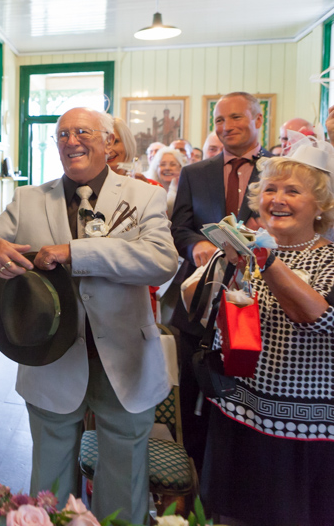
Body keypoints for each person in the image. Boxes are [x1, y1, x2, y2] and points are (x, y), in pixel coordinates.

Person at [0, 107, 178, 522]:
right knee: (49, 485)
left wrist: (75, 253)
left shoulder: (144, 195)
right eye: (62, 135)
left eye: (82, 132)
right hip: (50, 359)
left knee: (123, 481)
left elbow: (162, 261)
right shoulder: (29, 200)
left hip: (127, 360)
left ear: (110, 141)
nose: (71, 141)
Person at [198, 138, 334, 525]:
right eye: (271, 189)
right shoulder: (248, 248)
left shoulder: (328, 257)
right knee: (231, 515)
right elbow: (207, 312)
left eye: (293, 191)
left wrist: (266, 260)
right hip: (238, 410)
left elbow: (319, 317)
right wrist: (221, 269)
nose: (278, 199)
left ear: (321, 204)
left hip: (301, 429)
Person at [169, 91, 272, 476]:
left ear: (257, 119)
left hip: (256, 302)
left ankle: (240, 472)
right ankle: (194, 472)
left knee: (246, 386)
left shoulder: (280, 171)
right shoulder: (196, 173)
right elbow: (179, 226)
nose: (225, 127)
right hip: (199, 299)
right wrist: (194, 245)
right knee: (192, 384)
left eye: (235, 118)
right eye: (218, 121)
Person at [147, 146, 186, 214]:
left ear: (180, 167)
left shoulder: (187, 191)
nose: (167, 168)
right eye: (162, 164)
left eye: (173, 164)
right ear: (156, 168)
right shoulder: (149, 188)